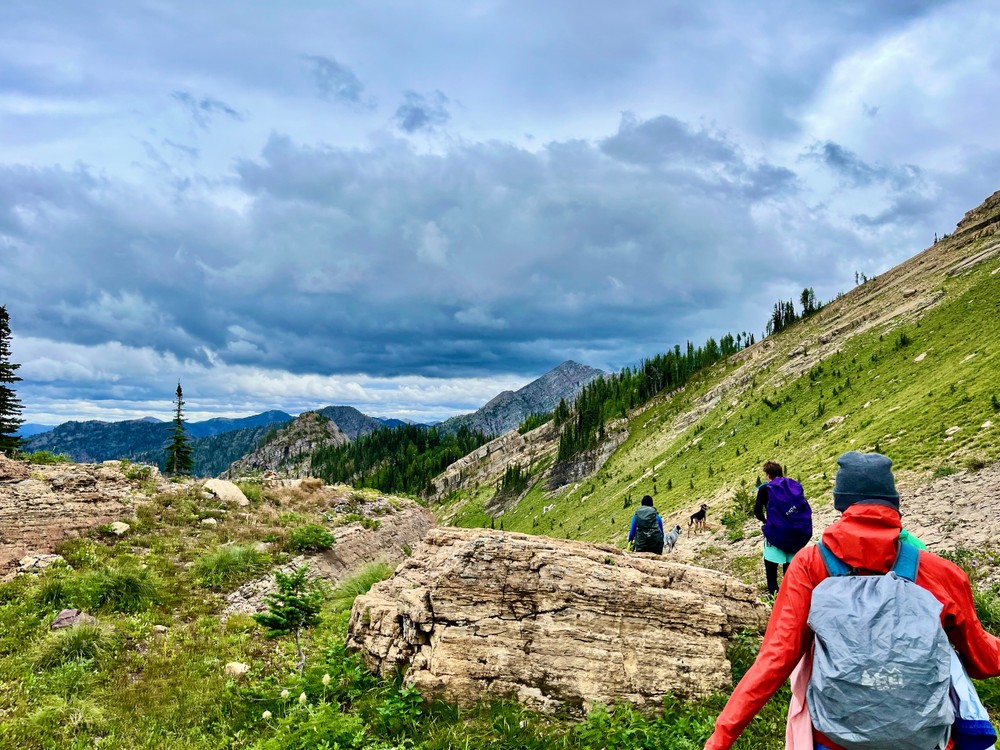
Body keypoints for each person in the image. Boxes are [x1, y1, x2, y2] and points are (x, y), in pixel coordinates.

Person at [704, 451, 1000, 750]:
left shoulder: (810, 565)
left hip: (834, 739)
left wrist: (721, 739)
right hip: (926, 739)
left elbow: (777, 659)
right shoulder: (940, 572)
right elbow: (984, 661)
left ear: (841, 503)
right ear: (893, 502)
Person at [754, 461, 811, 597]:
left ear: (768, 474)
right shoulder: (793, 486)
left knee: (771, 568)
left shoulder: (765, 489)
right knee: (790, 568)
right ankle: (789, 595)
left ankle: (774, 596)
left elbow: (757, 511)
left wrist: (766, 522)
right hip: (795, 532)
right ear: (781, 472)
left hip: (775, 532)